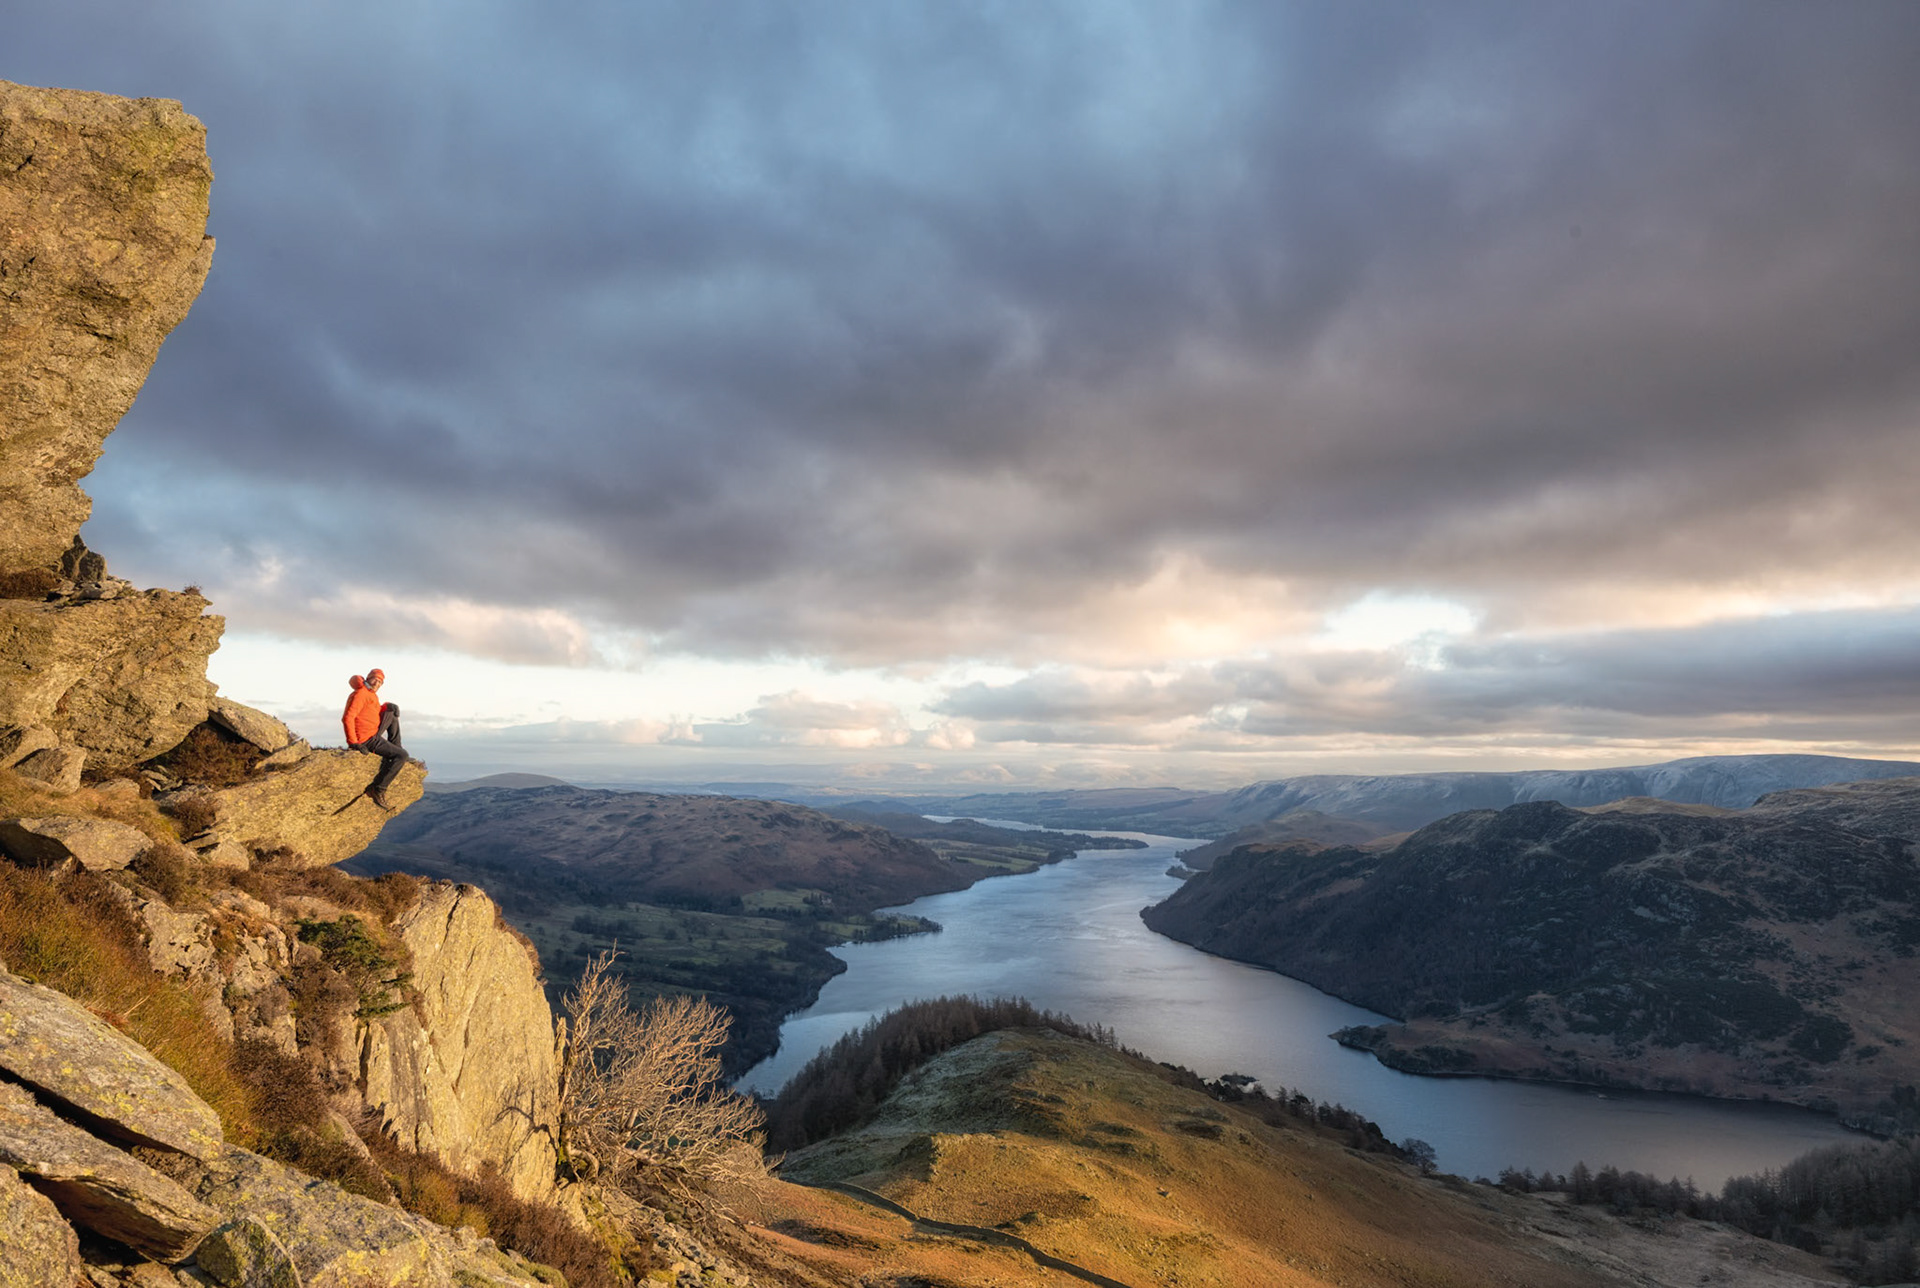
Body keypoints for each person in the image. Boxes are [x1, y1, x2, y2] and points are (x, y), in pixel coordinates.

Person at [342, 668, 408, 808]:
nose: (377, 683)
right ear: (368, 678)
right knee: (402, 756)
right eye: (375, 679)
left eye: (380, 682)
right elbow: (348, 718)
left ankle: (396, 747)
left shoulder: (371, 694)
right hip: (366, 739)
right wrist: (353, 743)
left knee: (391, 712)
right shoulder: (360, 694)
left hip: (372, 732)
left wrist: (386, 707)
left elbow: (373, 711)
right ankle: (378, 789)